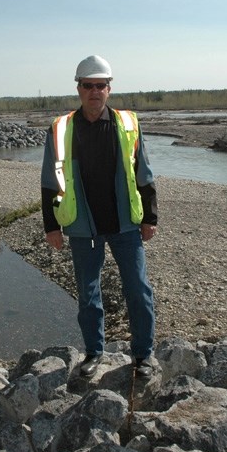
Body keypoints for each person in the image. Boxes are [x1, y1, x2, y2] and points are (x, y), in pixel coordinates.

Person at [40, 55, 159, 378]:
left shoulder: (128, 124)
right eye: (88, 85)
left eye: (101, 86)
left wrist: (150, 217)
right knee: (88, 294)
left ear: (109, 88)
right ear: (78, 88)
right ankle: (94, 352)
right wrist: (52, 226)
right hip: (82, 226)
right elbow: (50, 180)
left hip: (125, 225)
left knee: (138, 289)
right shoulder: (61, 128)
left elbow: (143, 173)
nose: (95, 91)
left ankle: (143, 355)